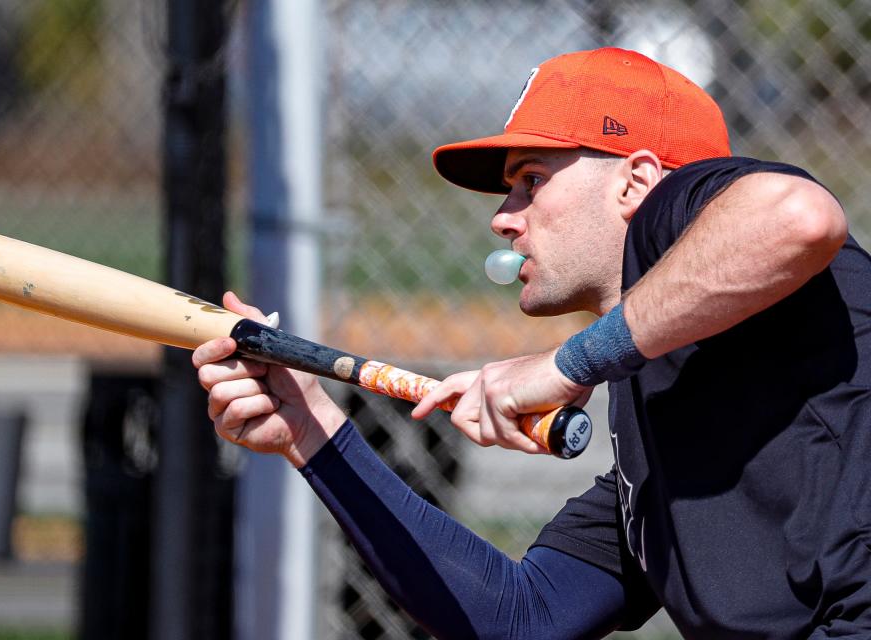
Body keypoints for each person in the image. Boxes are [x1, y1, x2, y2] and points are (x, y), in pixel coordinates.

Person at [193, 47, 871, 638]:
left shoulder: (682, 212)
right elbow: (521, 619)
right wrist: (311, 430)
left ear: (636, 181)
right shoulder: (657, 433)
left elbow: (799, 217)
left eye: (532, 181)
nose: (501, 218)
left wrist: (569, 362)